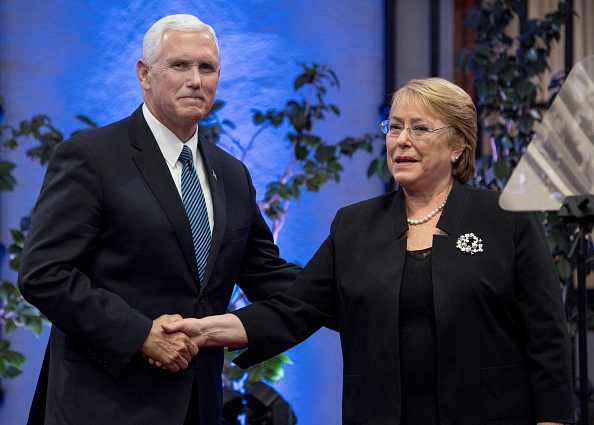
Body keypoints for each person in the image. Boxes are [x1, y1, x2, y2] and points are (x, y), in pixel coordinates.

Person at [162, 78, 575, 425]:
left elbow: (546, 337)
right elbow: (293, 309)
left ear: (457, 145)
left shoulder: (504, 220)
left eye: (420, 128)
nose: (402, 141)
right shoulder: (355, 225)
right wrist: (205, 331)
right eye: (394, 127)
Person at [18, 14, 300, 425]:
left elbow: (266, 274)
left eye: (207, 68)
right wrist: (139, 335)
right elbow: (44, 273)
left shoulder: (233, 173)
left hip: (199, 407)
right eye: (180, 65)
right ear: (145, 74)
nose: (196, 80)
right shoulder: (92, 157)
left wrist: (357, 283)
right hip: (103, 406)